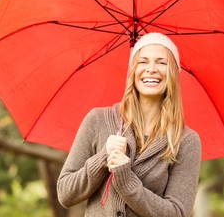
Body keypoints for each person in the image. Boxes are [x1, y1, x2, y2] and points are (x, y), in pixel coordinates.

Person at [57, 32, 202, 216]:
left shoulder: (186, 141)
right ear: (132, 70)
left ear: (173, 73)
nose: (151, 68)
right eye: (143, 61)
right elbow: (65, 193)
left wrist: (128, 183)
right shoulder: (97, 120)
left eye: (161, 62)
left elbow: (177, 213)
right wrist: (103, 158)